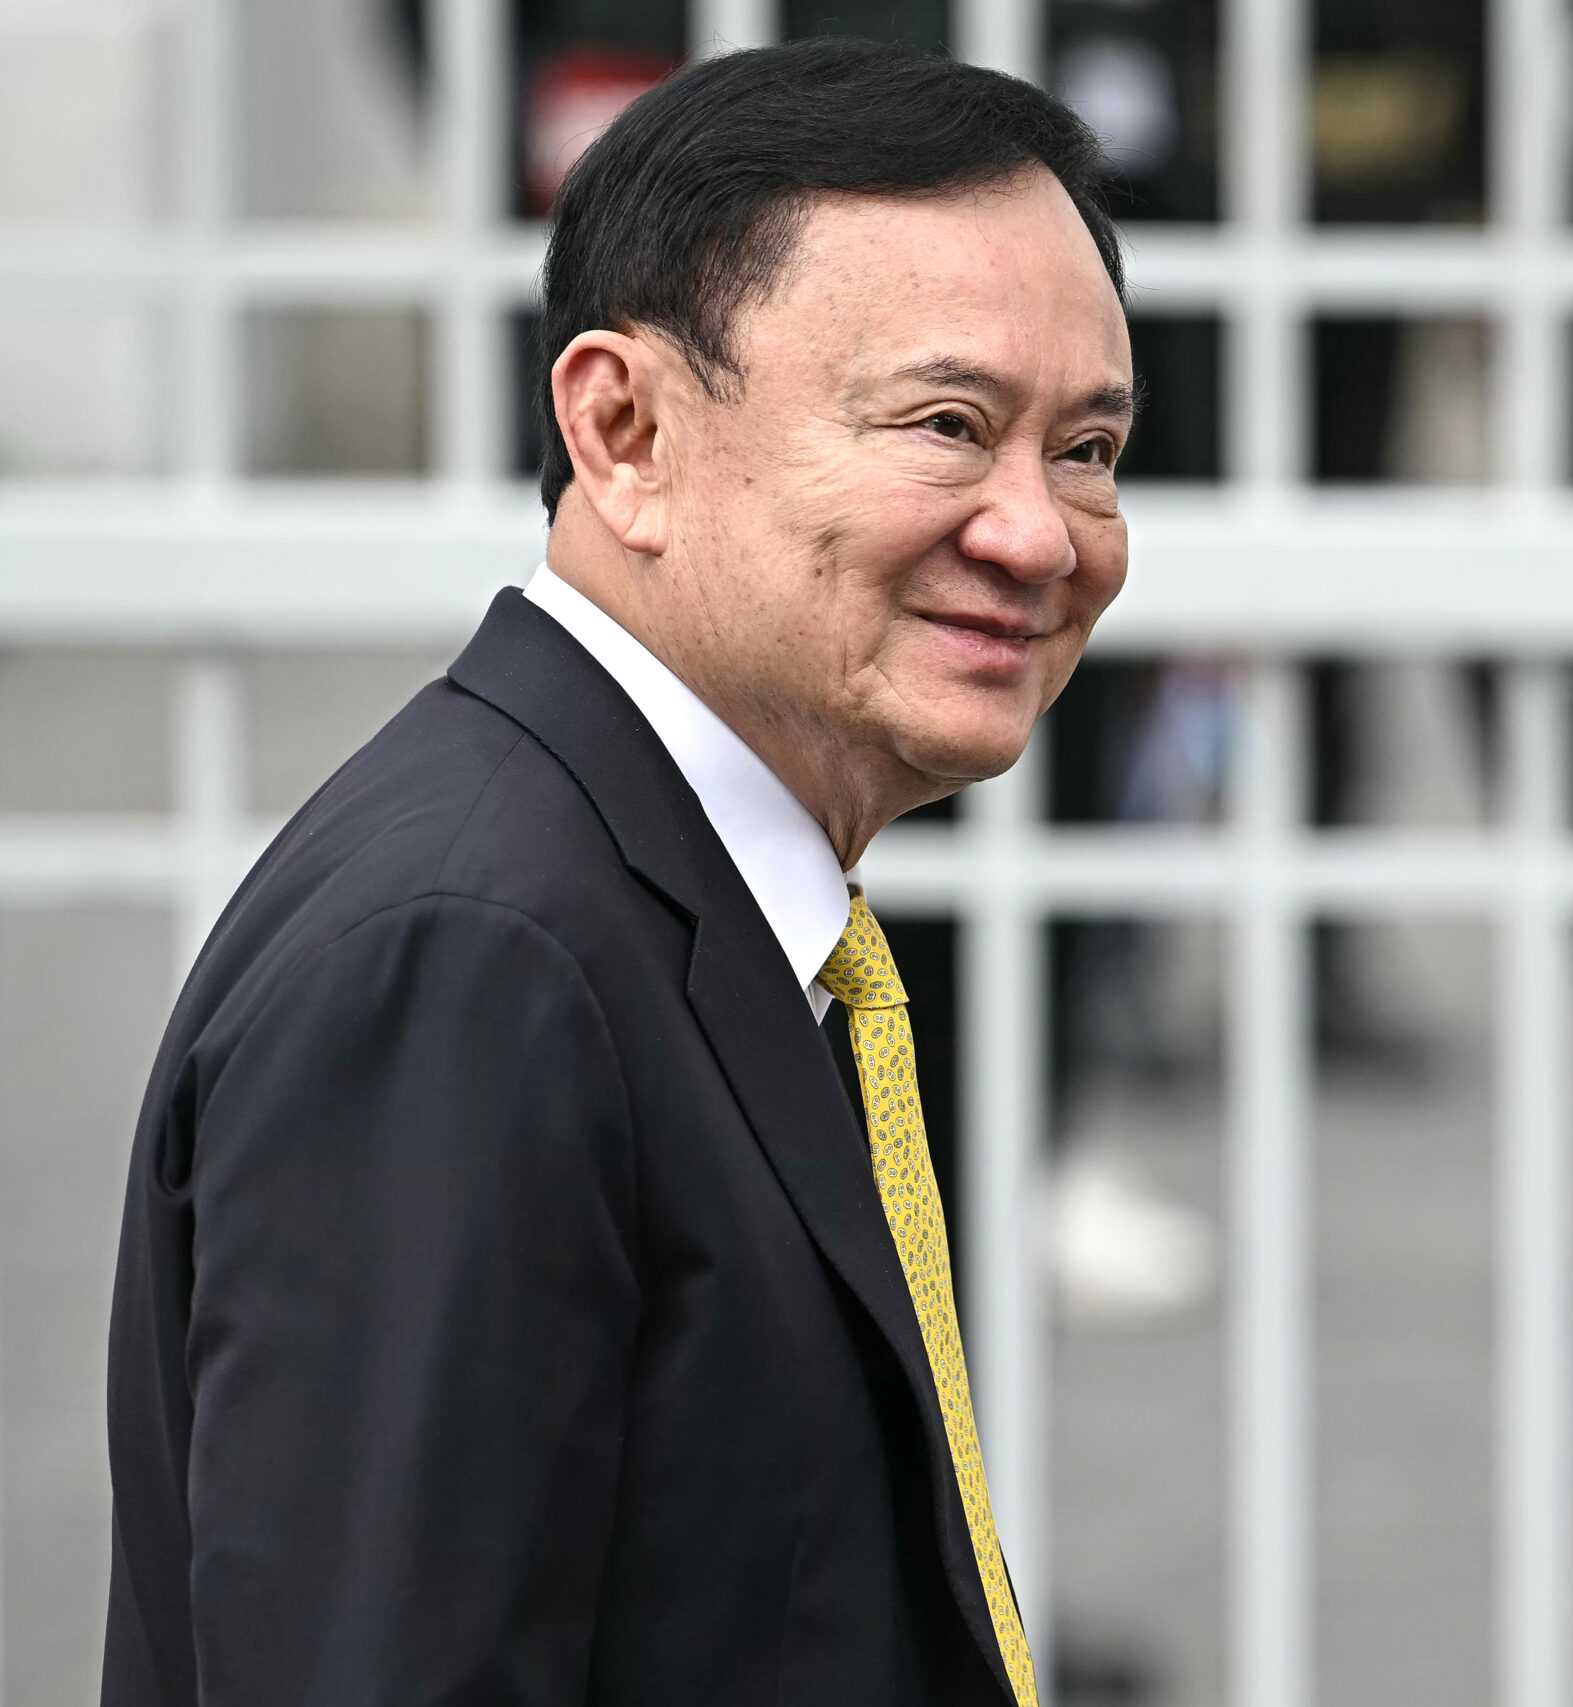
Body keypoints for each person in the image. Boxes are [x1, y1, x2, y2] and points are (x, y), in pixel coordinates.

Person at [102, 39, 1133, 1707]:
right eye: (947, 427)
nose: (1041, 534)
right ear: (622, 428)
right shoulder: (477, 955)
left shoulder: (661, 895)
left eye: (1087, 449)